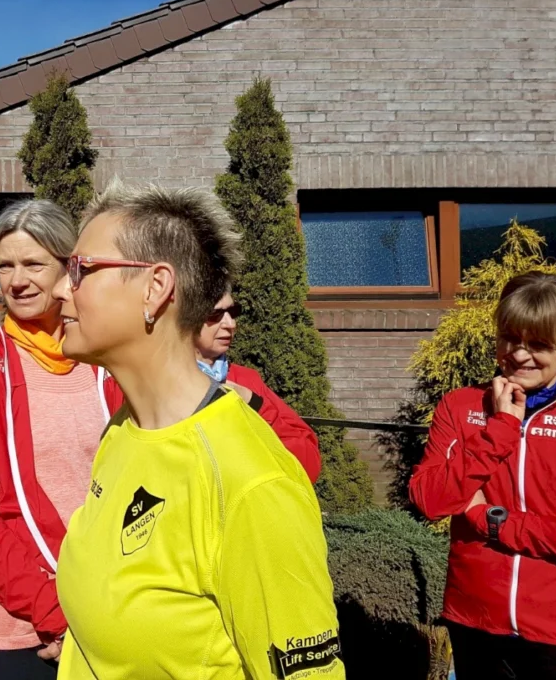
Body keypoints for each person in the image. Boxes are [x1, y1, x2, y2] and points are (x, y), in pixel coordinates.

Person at [52, 182, 344, 679]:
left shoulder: (251, 483)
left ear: (156, 287)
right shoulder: (121, 432)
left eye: (81, 270)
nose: (60, 288)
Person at [0, 199, 117, 680]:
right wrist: (56, 613)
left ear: (69, 269)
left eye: (33, 264)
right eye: (5, 265)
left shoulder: (105, 360)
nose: (17, 280)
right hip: (20, 632)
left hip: (109, 619)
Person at [409, 272, 556, 680]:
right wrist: (500, 429)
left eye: (538, 344)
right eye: (509, 339)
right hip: (476, 621)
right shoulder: (460, 406)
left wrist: (494, 523)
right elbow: (430, 499)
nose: (519, 355)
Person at [195, 288, 321, 481]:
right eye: (215, 314)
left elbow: (306, 464)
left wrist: (256, 405)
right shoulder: (151, 382)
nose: (231, 324)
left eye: (233, 312)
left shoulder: (246, 381)